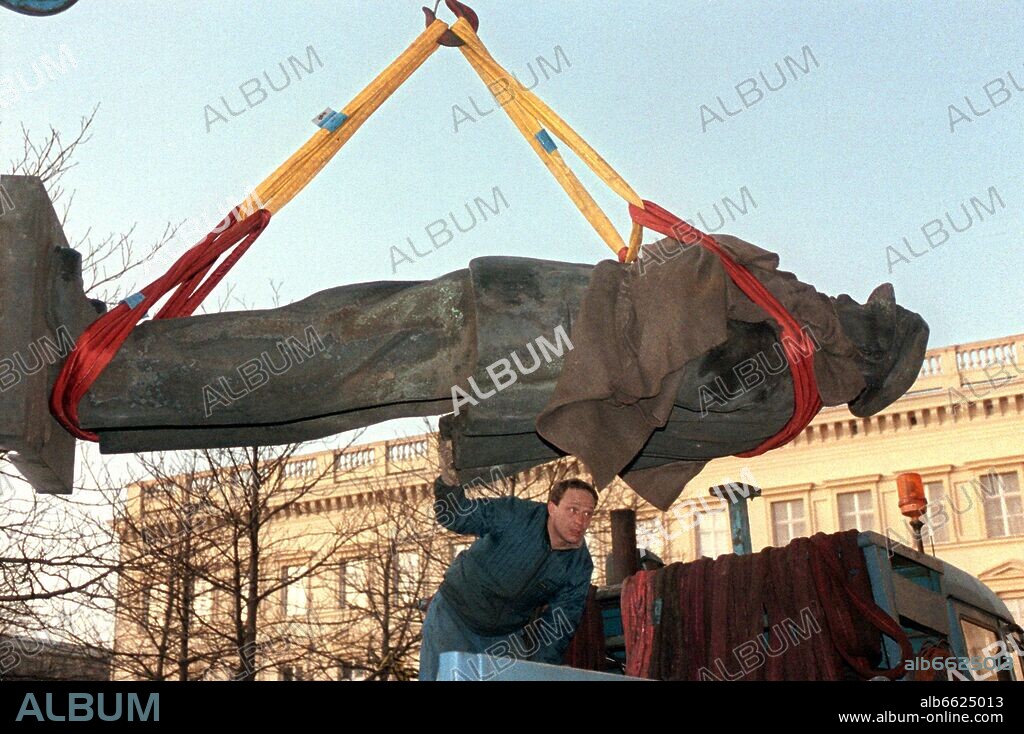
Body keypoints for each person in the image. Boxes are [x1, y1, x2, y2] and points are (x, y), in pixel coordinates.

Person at [418, 441, 596, 681]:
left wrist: (541, 672)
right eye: (573, 510)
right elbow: (458, 516)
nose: (580, 521)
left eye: (588, 514)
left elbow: (559, 625)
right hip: (455, 616)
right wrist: (449, 484)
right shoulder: (514, 514)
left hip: (504, 635)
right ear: (552, 508)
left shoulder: (579, 566)